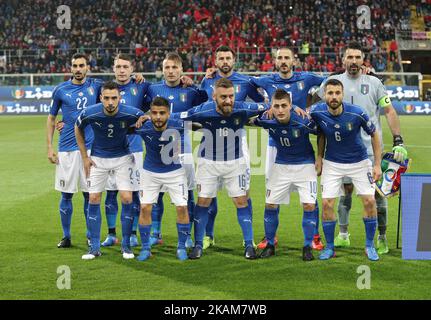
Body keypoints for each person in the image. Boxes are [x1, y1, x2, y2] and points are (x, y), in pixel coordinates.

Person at [316, 42, 408, 254]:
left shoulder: (374, 82)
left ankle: (381, 238)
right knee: (344, 193)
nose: (354, 61)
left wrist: (398, 139)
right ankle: (343, 235)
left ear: (363, 59)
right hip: (340, 153)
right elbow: (317, 106)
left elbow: (389, 111)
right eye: (350, 57)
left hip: (370, 151)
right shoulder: (334, 82)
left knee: (376, 196)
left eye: (358, 57)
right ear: (343, 60)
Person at [180, 78, 268, 260]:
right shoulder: (203, 110)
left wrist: (293, 108)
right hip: (207, 163)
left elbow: (270, 106)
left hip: (235, 163)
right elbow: (179, 117)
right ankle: (198, 244)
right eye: (223, 97)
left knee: (241, 201)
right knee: (203, 202)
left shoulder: (242, 107)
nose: (228, 101)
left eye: (230, 96)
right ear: (214, 97)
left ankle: (248, 244)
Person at [249, 47, 326, 251]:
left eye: (287, 58)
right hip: (275, 144)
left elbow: (330, 82)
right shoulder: (267, 80)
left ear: (294, 61)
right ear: (275, 61)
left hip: (301, 139)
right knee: (273, 195)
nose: (283, 61)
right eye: (280, 58)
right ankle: (271, 238)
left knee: (309, 197)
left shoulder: (306, 78)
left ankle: (314, 236)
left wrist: (311, 104)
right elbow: (245, 82)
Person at [200, 45, 265, 250]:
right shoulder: (207, 81)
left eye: (228, 58)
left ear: (233, 60)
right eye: (221, 58)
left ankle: (249, 239)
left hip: (237, 141)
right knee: (208, 194)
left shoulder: (245, 82)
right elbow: (200, 106)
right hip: (209, 140)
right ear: (216, 61)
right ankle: (207, 236)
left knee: (243, 192)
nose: (225, 61)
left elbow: (262, 104)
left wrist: (247, 119)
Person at [311, 79, 382, 261]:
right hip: (332, 164)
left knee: (369, 202)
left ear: (342, 94)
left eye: (337, 93)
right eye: (330, 93)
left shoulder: (357, 113)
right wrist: (319, 157)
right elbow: (320, 133)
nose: (334, 97)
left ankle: (369, 245)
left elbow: (374, 134)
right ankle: (329, 247)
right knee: (327, 204)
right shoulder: (317, 112)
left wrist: (377, 164)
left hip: (359, 162)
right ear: (324, 95)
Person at [74, 81, 146, 260]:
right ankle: (94, 248)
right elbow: (77, 127)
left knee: (127, 198)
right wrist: (84, 157)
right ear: (101, 98)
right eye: (106, 98)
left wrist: (141, 121)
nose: (110, 102)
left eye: (114, 98)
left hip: (123, 158)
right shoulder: (91, 112)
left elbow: (147, 118)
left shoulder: (130, 112)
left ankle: (126, 246)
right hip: (98, 159)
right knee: (93, 198)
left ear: (120, 98)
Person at [143, 52, 208, 248]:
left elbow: (205, 102)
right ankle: (156, 232)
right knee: (157, 195)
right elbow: (139, 105)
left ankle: (187, 235)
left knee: (187, 195)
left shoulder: (189, 91)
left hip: (184, 151)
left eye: (174, 68)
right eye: (167, 68)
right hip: (157, 151)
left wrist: (195, 85)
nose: (171, 71)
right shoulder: (153, 89)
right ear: (162, 70)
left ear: (181, 70)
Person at [253, 89, 318, 261]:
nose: (280, 110)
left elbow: (322, 133)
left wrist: (320, 158)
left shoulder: (303, 121)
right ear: (271, 107)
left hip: (305, 165)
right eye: (276, 106)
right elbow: (248, 119)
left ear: (290, 106)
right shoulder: (266, 119)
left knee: (309, 206)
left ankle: (307, 245)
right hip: (280, 165)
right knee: (270, 205)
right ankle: (270, 245)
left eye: (284, 106)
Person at [46, 53, 103, 248]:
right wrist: (49, 147)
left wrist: (138, 77)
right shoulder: (61, 89)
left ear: (88, 67)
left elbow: (120, 85)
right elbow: (52, 119)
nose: (78, 69)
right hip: (67, 150)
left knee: (89, 194)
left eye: (81, 65)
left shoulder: (96, 86)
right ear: (71, 68)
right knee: (66, 194)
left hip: (89, 150)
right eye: (74, 65)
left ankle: (89, 235)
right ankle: (66, 236)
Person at [101, 53, 150, 248]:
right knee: (111, 192)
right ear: (113, 69)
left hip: (134, 149)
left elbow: (157, 104)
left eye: (125, 67)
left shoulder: (141, 86)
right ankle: (112, 234)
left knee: (135, 193)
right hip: (109, 148)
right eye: (118, 67)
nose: (122, 70)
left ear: (132, 69)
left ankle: (132, 234)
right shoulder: (104, 89)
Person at [133, 97, 190, 261]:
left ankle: (181, 247)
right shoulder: (143, 127)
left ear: (169, 113)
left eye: (162, 113)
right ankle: (145, 249)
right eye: (154, 113)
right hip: (149, 172)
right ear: (150, 113)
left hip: (175, 171)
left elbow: (201, 123)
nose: (158, 117)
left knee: (181, 208)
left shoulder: (178, 124)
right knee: (145, 208)